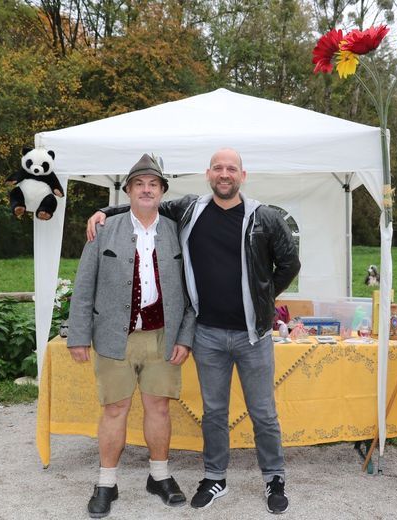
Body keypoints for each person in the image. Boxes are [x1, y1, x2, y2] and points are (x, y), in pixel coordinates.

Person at [86, 148, 300, 514]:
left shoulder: (265, 217)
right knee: (214, 412)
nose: (224, 173)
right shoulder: (190, 209)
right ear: (208, 174)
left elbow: (290, 263)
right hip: (208, 335)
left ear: (242, 176)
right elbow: (145, 205)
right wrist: (106, 211)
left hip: (253, 335)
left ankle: (274, 479)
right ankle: (215, 477)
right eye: (218, 168)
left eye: (231, 168)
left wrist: (261, 296)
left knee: (263, 412)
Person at [69, 154, 195, 518]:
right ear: (127, 191)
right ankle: (106, 483)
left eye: (153, 184)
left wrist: (184, 337)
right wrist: (78, 336)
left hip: (162, 336)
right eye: (139, 184)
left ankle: (159, 476)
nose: (146, 189)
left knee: (159, 407)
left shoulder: (177, 232)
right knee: (114, 409)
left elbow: (191, 293)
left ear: (162, 192)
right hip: (113, 336)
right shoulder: (104, 229)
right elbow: (83, 287)